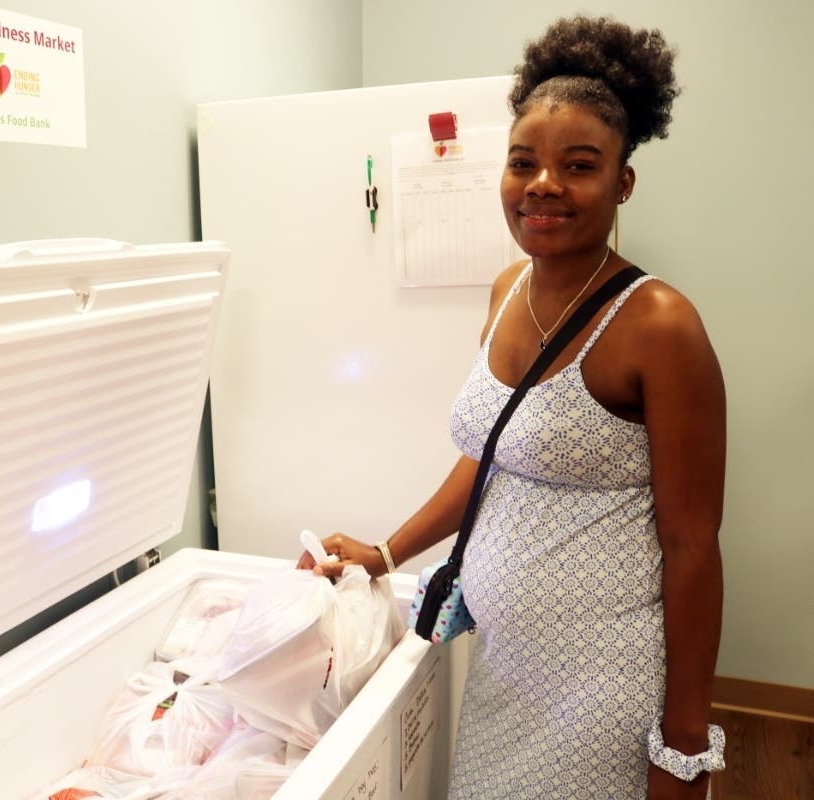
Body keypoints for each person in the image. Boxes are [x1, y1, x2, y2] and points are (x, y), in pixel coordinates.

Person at [297, 15, 725, 800]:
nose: (542, 185)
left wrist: (681, 747)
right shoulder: (505, 293)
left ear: (622, 182)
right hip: (502, 671)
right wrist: (387, 554)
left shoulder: (657, 325)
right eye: (522, 162)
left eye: (579, 165)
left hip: (603, 684)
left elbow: (693, 547)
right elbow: (494, 456)